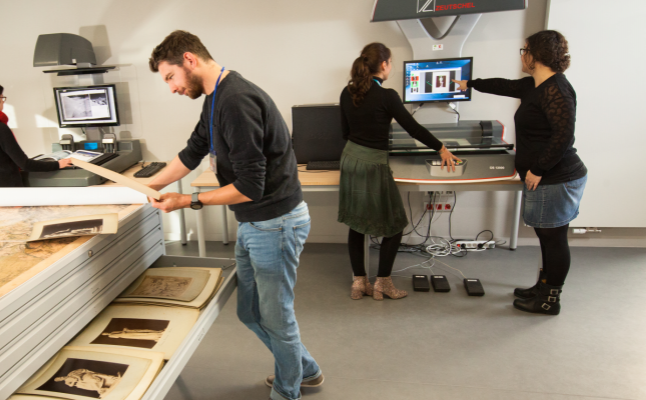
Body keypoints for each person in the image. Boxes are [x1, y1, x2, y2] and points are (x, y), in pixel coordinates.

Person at [145, 30, 322, 400]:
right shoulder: (215, 98)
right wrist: (143, 187)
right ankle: (304, 368)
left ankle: (288, 391)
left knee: (277, 317)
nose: (172, 88)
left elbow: (249, 186)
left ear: (189, 61)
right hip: (254, 222)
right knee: (250, 312)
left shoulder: (236, 101)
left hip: (275, 223)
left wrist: (187, 202)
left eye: (170, 77)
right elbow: (191, 153)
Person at [453, 30, 587, 315]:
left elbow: (564, 136)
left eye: (524, 50)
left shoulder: (557, 89)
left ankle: (550, 299)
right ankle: (544, 285)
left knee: (554, 239)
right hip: (545, 175)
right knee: (545, 234)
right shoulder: (534, 86)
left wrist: (538, 169)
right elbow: (504, 85)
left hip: (556, 176)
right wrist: (470, 83)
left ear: (535, 55)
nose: (522, 55)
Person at [339, 43, 461, 301]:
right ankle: (383, 284)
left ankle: (359, 283)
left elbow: (344, 132)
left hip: (350, 160)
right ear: (383, 65)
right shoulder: (387, 96)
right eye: (391, 62)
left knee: (356, 223)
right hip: (373, 164)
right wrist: (441, 148)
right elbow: (413, 128)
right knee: (395, 225)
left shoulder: (346, 92)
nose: (391, 66)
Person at [0, 79, 70, 187]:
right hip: (8, 189)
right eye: (2, 98)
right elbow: (25, 164)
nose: (3, 101)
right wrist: (58, 164)